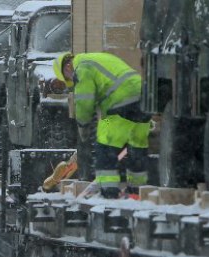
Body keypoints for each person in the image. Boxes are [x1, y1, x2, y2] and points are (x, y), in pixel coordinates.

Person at [53, 52, 152, 198]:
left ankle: (109, 192)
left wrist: (83, 125)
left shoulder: (82, 68)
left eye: (68, 78)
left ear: (67, 67)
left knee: (105, 146)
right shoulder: (98, 58)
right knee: (137, 146)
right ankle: (136, 190)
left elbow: (84, 102)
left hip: (120, 103)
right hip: (143, 99)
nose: (71, 80)